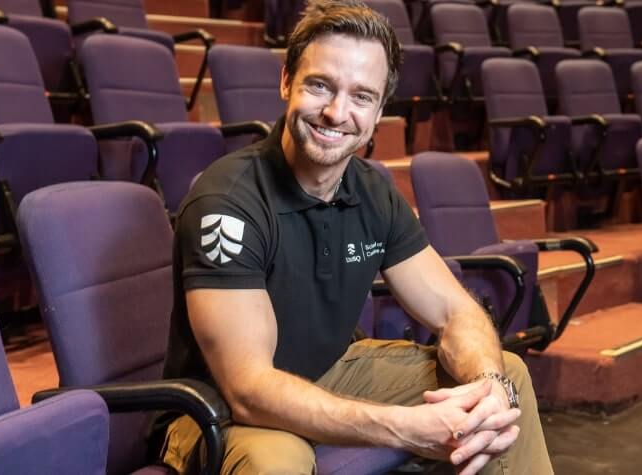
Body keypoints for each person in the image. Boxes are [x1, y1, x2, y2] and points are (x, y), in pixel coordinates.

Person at [153, 1, 554, 473]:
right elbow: (248, 389)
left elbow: (455, 312)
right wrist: (406, 424)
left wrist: (487, 384)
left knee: (507, 380)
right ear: (286, 82)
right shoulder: (228, 201)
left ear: (380, 110)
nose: (336, 112)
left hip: (328, 371)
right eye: (320, 85)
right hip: (214, 408)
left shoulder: (372, 191)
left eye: (362, 96)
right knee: (277, 460)